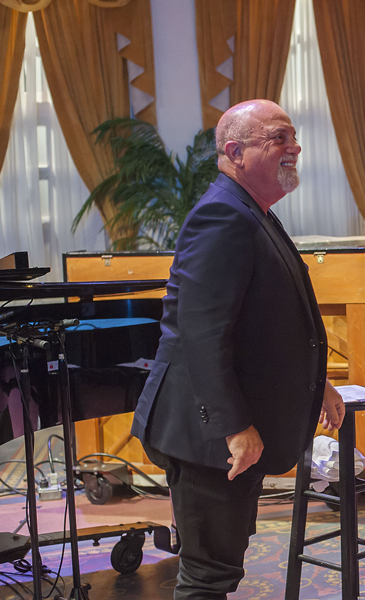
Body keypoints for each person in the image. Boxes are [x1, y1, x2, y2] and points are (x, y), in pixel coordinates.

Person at [131, 99, 346, 600]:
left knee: (220, 569)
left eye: (293, 137)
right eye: (278, 138)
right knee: (207, 579)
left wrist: (319, 384)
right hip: (208, 436)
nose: (294, 147)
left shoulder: (251, 210)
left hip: (223, 428)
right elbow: (201, 335)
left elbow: (265, 326)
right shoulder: (221, 216)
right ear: (234, 151)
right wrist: (233, 427)